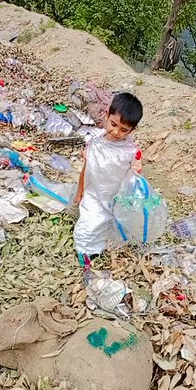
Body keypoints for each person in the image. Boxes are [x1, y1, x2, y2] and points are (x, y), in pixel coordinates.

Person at [74, 92, 143, 266]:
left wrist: (136, 169)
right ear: (107, 115)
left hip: (115, 200)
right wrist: (79, 192)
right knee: (85, 231)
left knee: (116, 232)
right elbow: (86, 168)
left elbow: (133, 180)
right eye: (113, 124)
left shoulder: (129, 151)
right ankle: (87, 256)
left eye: (124, 130)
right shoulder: (94, 142)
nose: (116, 132)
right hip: (94, 196)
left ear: (132, 130)